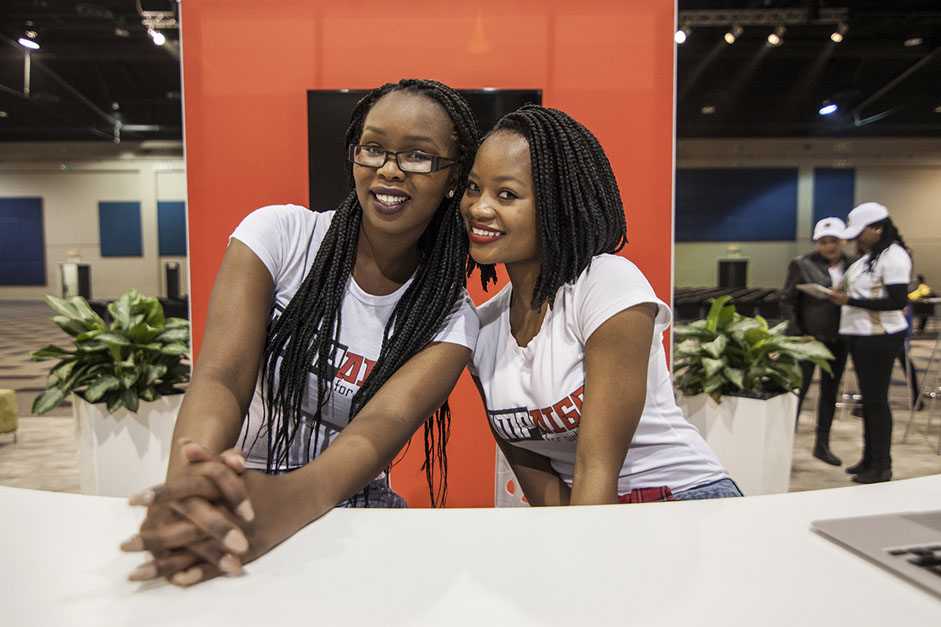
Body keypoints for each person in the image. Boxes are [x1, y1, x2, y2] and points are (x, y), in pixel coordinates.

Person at [120, 79, 481, 585]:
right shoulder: (278, 236)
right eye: (373, 148)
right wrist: (192, 492)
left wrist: (278, 505)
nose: (389, 169)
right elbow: (221, 377)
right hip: (235, 476)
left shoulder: (450, 317)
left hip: (348, 501)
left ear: (453, 177)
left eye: (418, 156)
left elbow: (375, 433)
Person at [462, 105, 737, 505]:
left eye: (507, 194)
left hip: (680, 499)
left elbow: (597, 466)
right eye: (473, 187)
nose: (479, 208)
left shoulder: (605, 284)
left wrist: (585, 541)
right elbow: (532, 469)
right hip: (589, 510)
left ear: (558, 205)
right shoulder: (483, 328)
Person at [827, 202, 912, 484]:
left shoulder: (894, 256)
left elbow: (897, 301)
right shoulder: (870, 257)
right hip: (861, 336)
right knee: (870, 401)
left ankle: (882, 466)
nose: (856, 239)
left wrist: (849, 300)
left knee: (876, 403)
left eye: (860, 233)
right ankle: (868, 459)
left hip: (880, 337)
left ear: (877, 228)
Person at [780, 217, 852, 466]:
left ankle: (822, 445)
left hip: (840, 338)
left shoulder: (854, 265)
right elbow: (788, 301)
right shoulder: (802, 264)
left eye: (834, 241)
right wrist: (797, 334)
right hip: (808, 339)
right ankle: (783, 446)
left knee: (830, 393)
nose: (829, 246)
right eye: (823, 242)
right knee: (798, 393)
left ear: (843, 241)